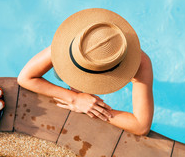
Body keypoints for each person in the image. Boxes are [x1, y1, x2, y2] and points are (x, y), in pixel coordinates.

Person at [17, 8, 154, 136]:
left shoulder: (141, 63)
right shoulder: (72, 44)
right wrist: (74, 98)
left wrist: (95, 109)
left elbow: (141, 126)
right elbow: (25, 78)